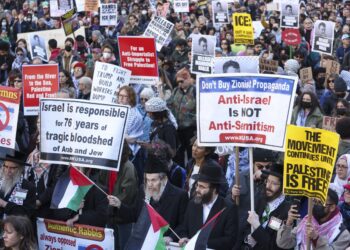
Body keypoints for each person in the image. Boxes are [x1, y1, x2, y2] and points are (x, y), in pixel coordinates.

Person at [107, 149, 189, 240]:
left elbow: (183, 225)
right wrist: (119, 205)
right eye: (147, 180)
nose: (149, 184)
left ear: (164, 179)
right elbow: (134, 214)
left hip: (164, 244)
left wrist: (171, 237)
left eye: (153, 180)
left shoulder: (180, 196)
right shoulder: (143, 189)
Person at [175, 161, 238, 249]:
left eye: (202, 187)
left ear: (214, 190)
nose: (197, 190)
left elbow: (230, 240)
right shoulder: (192, 204)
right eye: (197, 185)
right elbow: (184, 227)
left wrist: (202, 243)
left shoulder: (228, 208)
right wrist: (184, 237)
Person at [277, 188, 350, 249]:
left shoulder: (343, 234)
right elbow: (284, 243)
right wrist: (288, 223)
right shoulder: (307, 221)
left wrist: (316, 238)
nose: (316, 205)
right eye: (314, 201)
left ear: (332, 207)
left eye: (321, 203)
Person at [242, 163, 291, 250]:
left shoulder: (285, 211)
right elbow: (245, 225)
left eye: (274, 183)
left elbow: (273, 246)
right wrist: (247, 237)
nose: (268, 186)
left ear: (283, 187)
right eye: (267, 181)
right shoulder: (260, 198)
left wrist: (257, 226)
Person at [0, 151, 36, 219]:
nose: (8, 171)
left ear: (20, 169)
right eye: (6, 166)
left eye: (12, 168)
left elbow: (26, 213)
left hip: (17, 227)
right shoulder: (0, 182)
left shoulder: (27, 187)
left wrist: (4, 204)